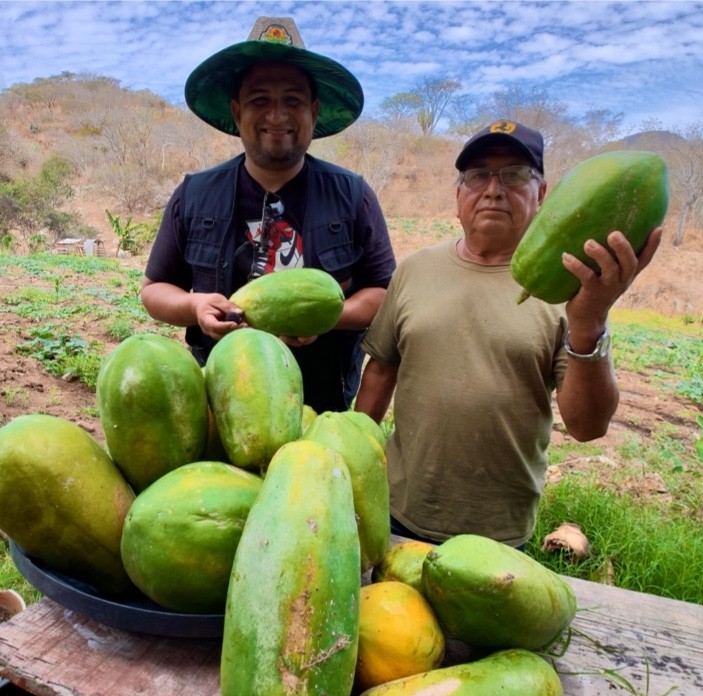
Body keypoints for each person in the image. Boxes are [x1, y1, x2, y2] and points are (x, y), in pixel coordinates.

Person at [354, 120, 662, 548]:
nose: (493, 189)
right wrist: (353, 465)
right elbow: (381, 371)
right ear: (458, 194)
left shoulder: (568, 288)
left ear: (543, 194)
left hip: (499, 537)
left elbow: (588, 427)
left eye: (514, 175)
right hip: (397, 513)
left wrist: (590, 323)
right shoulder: (414, 270)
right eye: (478, 175)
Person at [141, 16, 396, 412]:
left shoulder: (353, 195)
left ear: (313, 111)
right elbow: (154, 288)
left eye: (292, 100)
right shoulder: (193, 195)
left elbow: (384, 295)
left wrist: (327, 317)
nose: (277, 115)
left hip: (322, 407)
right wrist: (196, 307)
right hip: (220, 407)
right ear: (237, 110)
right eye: (260, 100)